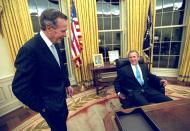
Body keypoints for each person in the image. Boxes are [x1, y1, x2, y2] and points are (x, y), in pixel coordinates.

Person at [12, 9, 74, 131]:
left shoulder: (55, 41)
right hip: (49, 105)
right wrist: (42, 107)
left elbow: (59, 66)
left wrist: (67, 83)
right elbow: (19, 88)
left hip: (60, 98)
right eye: (63, 30)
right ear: (49, 28)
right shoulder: (29, 50)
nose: (65, 34)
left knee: (62, 121)